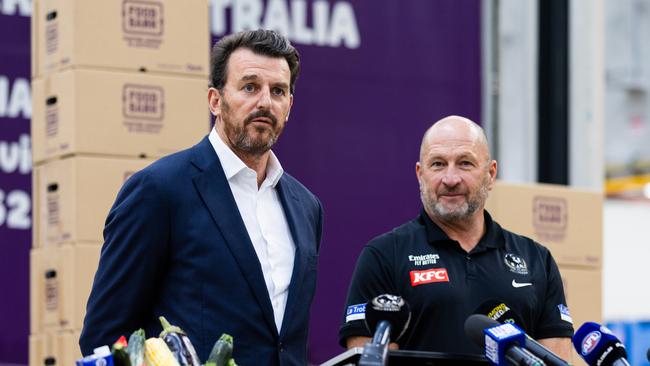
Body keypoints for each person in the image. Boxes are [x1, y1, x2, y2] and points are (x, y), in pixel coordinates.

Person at [80, 30, 323, 366]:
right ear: (215, 100)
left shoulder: (306, 207)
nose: (265, 102)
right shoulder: (159, 189)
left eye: (278, 91)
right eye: (250, 87)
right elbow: (105, 336)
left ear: (289, 106)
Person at [338, 115, 573, 359]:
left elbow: (557, 358)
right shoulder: (384, 255)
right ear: (420, 175)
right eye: (438, 164)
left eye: (465, 164)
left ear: (490, 174)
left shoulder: (536, 260)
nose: (450, 179)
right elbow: (369, 358)